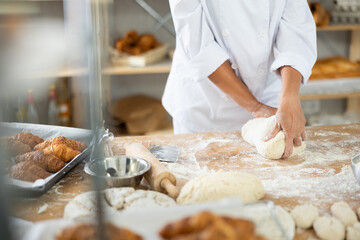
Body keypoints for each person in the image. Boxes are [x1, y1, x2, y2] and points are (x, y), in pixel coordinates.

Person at [162, 0, 317, 158]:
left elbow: (296, 33)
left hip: (270, 101)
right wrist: (256, 107)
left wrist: (289, 96)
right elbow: (200, 48)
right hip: (205, 107)